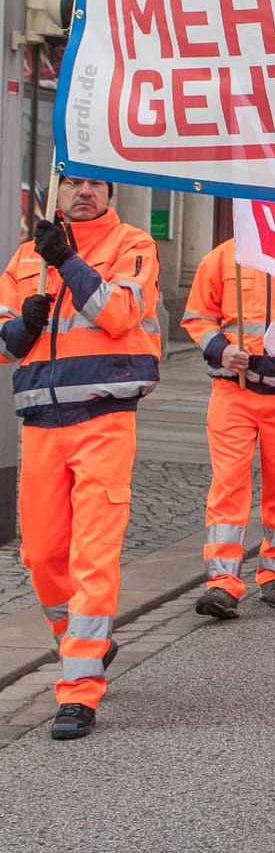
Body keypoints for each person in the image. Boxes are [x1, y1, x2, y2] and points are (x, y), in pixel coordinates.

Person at [0, 178, 161, 740]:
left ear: (108, 191)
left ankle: (78, 689)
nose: (84, 192)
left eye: (95, 183)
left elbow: (120, 313)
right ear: (59, 190)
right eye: (74, 183)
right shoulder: (26, 256)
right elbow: (3, 340)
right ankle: (83, 641)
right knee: (42, 556)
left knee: (93, 556)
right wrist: (21, 327)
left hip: (104, 419)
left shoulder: (133, 244)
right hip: (41, 424)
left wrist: (66, 260)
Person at [182, 233, 275, 619]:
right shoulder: (222, 258)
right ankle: (221, 582)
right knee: (228, 485)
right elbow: (198, 316)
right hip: (234, 393)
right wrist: (221, 349)